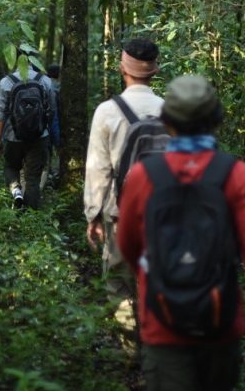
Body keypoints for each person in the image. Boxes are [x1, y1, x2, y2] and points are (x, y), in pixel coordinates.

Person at [117, 75, 245, 390]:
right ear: (216, 120)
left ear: (166, 122)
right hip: (220, 323)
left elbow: (128, 246)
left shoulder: (142, 176)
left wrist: (157, 278)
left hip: (162, 322)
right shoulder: (238, 176)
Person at [83, 38, 164, 330]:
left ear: (122, 68)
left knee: (119, 283)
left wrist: (94, 215)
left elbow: (98, 169)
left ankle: (130, 351)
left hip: (122, 215)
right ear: (155, 70)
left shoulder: (107, 111)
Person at [0, 45, 57, 210]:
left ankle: (16, 193)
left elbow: (0, 113)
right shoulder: (45, 81)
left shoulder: (6, 82)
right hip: (39, 137)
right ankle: (31, 219)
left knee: (11, 166)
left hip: (12, 136)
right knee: (33, 179)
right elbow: (51, 110)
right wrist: (47, 133)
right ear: (33, 60)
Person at [41, 63, 62, 190]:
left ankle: (47, 178)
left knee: (45, 155)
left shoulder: (42, 83)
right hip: (53, 124)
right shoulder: (57, 87)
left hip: (40, 126)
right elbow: (54, 113)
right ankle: (52, 179)